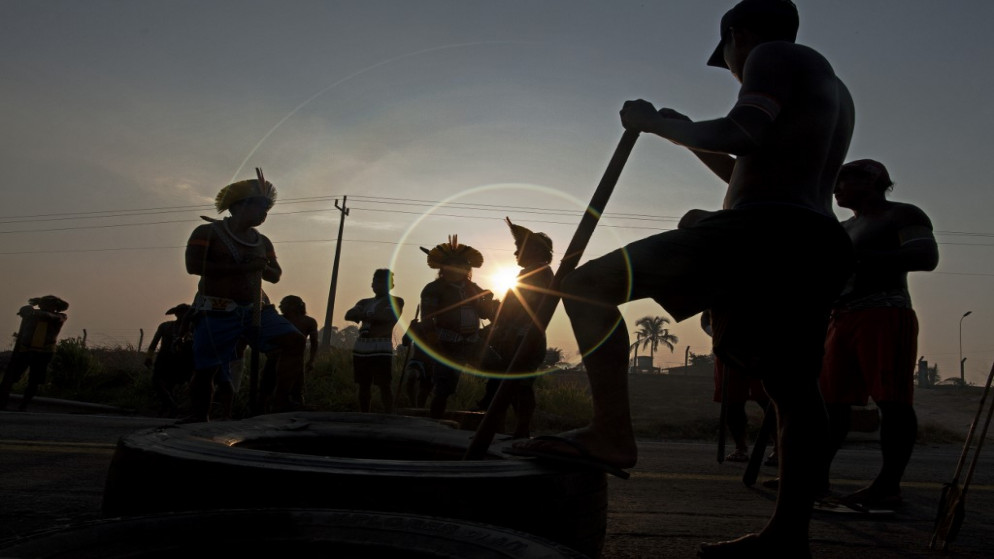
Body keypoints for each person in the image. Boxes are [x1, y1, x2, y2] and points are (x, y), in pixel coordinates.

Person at [510, 1, 855, 556]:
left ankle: (612, 435)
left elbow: (743, 131)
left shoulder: (773, 53)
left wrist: (657, 124)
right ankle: (788, 537)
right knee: (793, 390)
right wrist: (681, 135)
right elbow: (753, 160)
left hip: (760, 231)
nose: (737, 69)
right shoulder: (832, 86)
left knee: (585, 285)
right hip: (814, 239)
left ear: (737, 36)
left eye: (729, 60)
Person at [819, 159, 939, 510]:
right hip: (841, 318)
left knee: (892, 402)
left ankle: (888, 486)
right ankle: (815, 476)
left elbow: (925, 255)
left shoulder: (902, 215)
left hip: (885, 313)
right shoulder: (843, 227)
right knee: (832, 404)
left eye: (844, 180)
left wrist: (856, 257)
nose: (835, 188)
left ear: (872, 180)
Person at [183, 176, 306, 422]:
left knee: (295, 341)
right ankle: (197, 420)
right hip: (217, 310)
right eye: (260, 206)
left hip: (256, 309)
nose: (265, 213)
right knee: (207, 369)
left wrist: (262, 267)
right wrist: (241, 268)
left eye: (267, 209)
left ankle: (280, 403)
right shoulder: (208, 232)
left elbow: (276, 275)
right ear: (239, 206)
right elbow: (193, 265)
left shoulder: (262, 242)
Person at [476, 218, 555, 439]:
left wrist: (502, 320)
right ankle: (503, 429)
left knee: (520, 384)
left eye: (518, 249)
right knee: (509, 384)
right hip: (518, 336)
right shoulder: (532, 273)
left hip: (525, 338)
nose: (515, 254)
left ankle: (520, 430)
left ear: (533, 251)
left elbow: (525, 307)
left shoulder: (539, 273)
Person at [417, 236, 496, 419]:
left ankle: (488, 408)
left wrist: (487, 300)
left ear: (466, 269)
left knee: (500, 369)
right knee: (444, 388)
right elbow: (427, 321)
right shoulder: (433, 289)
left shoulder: (472, 288)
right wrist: (437, 348)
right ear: (443, 268)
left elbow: (484, 314)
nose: (456, 269)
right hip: (447, 345)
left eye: (461, 266)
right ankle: (435, 422)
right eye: (452, 265)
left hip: (473, 343)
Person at [702, 310, 772, 463]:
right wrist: (717, 334)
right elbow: (706, 316)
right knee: (732, 402)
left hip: (762, 348)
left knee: (769, 399)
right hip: (728, 351)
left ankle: (780, 449)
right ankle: (741, 448)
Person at [345, 269, 404, 413]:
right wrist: (371, 316)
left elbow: (388, 317)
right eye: (375, 281)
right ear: (372, 284)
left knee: (384, 385)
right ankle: (364, 414)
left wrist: (363, 315)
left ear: (391, 285)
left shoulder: (397, 301)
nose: (377, 285)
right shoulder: (364, 301)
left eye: (381, 282)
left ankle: (389, 415)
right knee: (363, 385)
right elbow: (349, 314)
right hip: (361, 348)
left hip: (381, 347)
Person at [0, 295, 69, 411]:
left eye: (49, 305)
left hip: (44, 353)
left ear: (55, 307)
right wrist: (27, 310)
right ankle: (2, 402)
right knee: (12, 377)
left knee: (34, 380)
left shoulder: (60, 317)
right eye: (44, 304)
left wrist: (34, 313)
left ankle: (24, 405)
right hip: (25, 350)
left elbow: (50, 316)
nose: (46, 307)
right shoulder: (31, 315)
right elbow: (24, 311)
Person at [260, 295, 320, 410]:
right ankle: (262, 412)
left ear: (294, 306)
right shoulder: (278, 320)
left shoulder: (308, 321)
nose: (280, 306)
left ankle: (294, 412)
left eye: (284, 304)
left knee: (296, 390)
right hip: (274, 359)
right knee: (266, 387)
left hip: (295, 361)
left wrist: (311, 360)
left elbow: (314, 343)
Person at [143, 303, 194, 417]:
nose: (182, 315)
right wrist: (149, 357)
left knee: (175, 383)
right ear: (176, 314)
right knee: (159, 382)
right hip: (165, 358)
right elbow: (154, 343)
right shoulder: (165, 326)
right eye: (180, 312)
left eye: (184, 313)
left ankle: (173, 407)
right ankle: (170, 406)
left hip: (183, 360)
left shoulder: (193, 328)